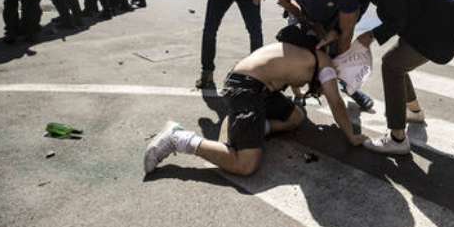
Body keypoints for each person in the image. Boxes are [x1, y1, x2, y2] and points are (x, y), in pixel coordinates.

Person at [144, 41, 367, 176]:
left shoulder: (314, 52)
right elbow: (336, 103)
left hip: (258, 86)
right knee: (245, 164)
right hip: (245, 88)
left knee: (297, 117)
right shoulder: (326, 66)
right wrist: (351, 136)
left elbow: (287, 73)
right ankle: (179, 138)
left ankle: (256, 128)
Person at [349, 0, 454, 154]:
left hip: (440, 26)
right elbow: (361, 2)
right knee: (398, 63)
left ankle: (397, 138)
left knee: (392, 65)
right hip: (419, 21)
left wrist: (369, 36)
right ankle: (414, 112)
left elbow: (397, 20)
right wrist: (345, 28)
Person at [276, 0, 374, 110]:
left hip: (333, 21)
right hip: (302, 12)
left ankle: (350, 87)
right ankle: (298, 93)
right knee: (293, 50)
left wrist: (335, 42)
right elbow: (284, 0)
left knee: (338, 57)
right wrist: (306, 21)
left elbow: (346, 31)